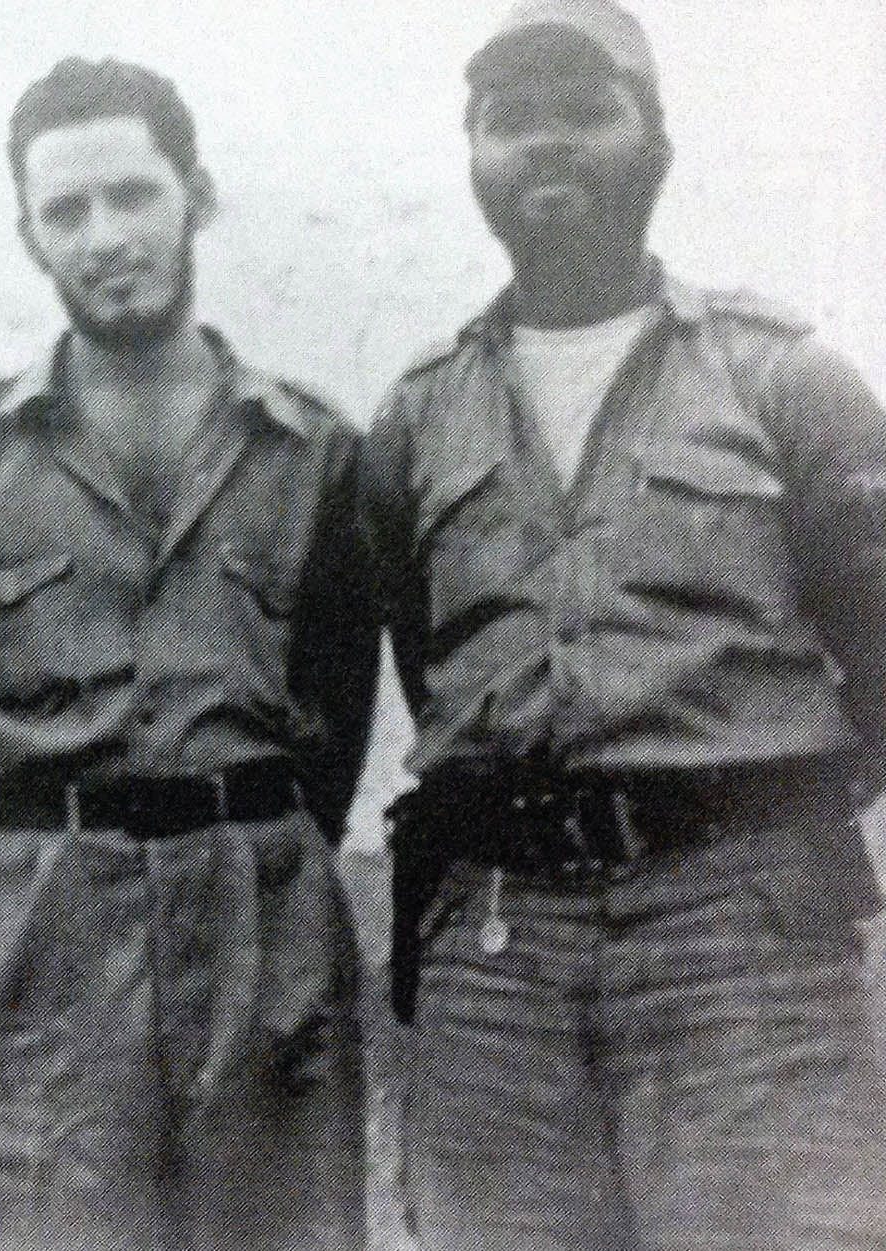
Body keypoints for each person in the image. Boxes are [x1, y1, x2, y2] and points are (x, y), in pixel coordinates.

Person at [358, 3, 886, 1247]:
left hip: (740, 940)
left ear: (653, 142)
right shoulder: (415, 417)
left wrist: (747, 821)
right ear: (472, 155)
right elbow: (416, 659)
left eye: (584, 113)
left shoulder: (783, 380)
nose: (544, 146)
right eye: (508, 121)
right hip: (495, 948)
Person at [0, 56, 374, 1251]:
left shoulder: (309, 451)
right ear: (28, 236)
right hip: (36, 935)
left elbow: (335, 710)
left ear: (192, 196)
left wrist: (237, 837)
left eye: (131, 195)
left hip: (261, 926)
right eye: (66, 211)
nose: (103, 236)